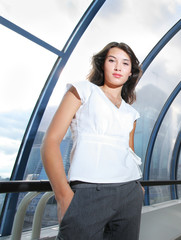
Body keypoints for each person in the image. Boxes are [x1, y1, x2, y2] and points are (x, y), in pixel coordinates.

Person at [41, 42, 144, 240]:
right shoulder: (83, 91)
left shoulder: (131, 113)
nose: (117, 67)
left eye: (125, 63)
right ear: (102, 64)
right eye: (111, 60)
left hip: (129, 193)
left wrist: (138, 188)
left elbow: (130, 153)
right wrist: (63, 197)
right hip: (88, 192)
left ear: (131, 72)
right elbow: (50, 142)